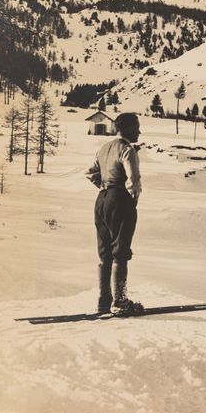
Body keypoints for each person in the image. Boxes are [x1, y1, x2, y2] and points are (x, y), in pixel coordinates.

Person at [86, 112, 143, 316]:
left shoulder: (103, 148)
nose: (139, 131)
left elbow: (90, 172)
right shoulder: (127, 149)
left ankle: (104, 301)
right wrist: (132, 199)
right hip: (119, 200)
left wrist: (104, 187)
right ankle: (120, 301)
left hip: (101, 200)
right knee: (120, 251)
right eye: (137, 126)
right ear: (127, 128)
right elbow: (133, 179)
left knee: (105, 252)